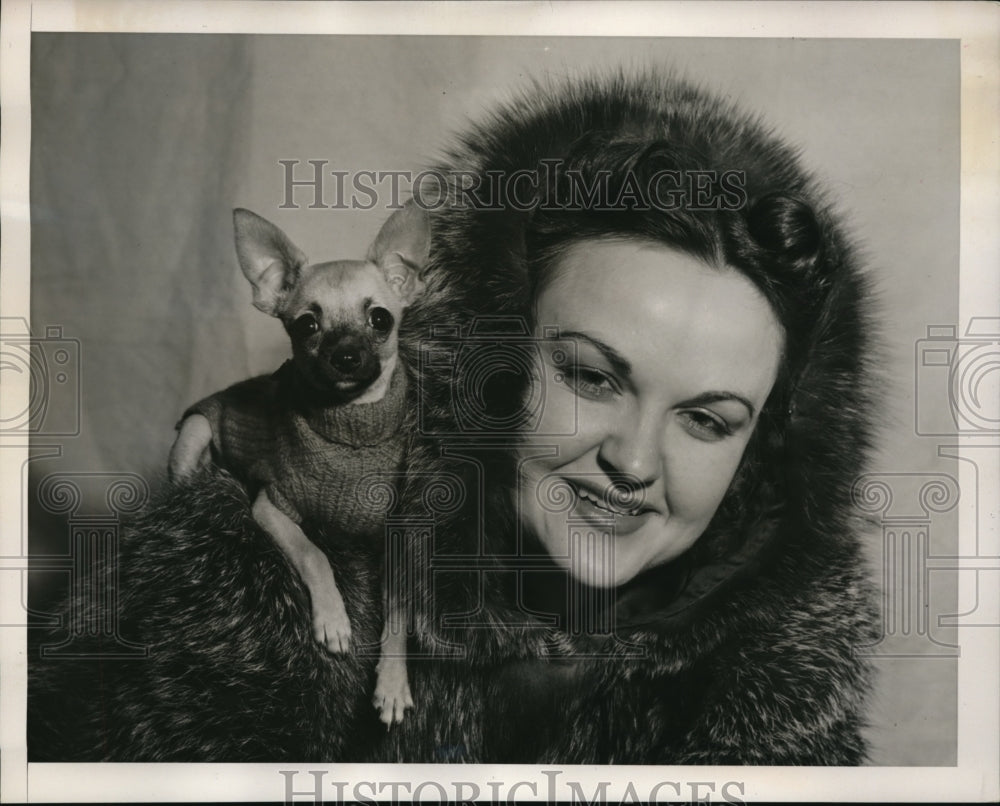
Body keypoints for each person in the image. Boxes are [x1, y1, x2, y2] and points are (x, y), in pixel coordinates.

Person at [29, 70, 879, 764]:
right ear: (488, 364)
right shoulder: (259, 597)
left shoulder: (775, 694)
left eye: (709, 420)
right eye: (590, 375)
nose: (634, 459)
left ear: (762, 451)